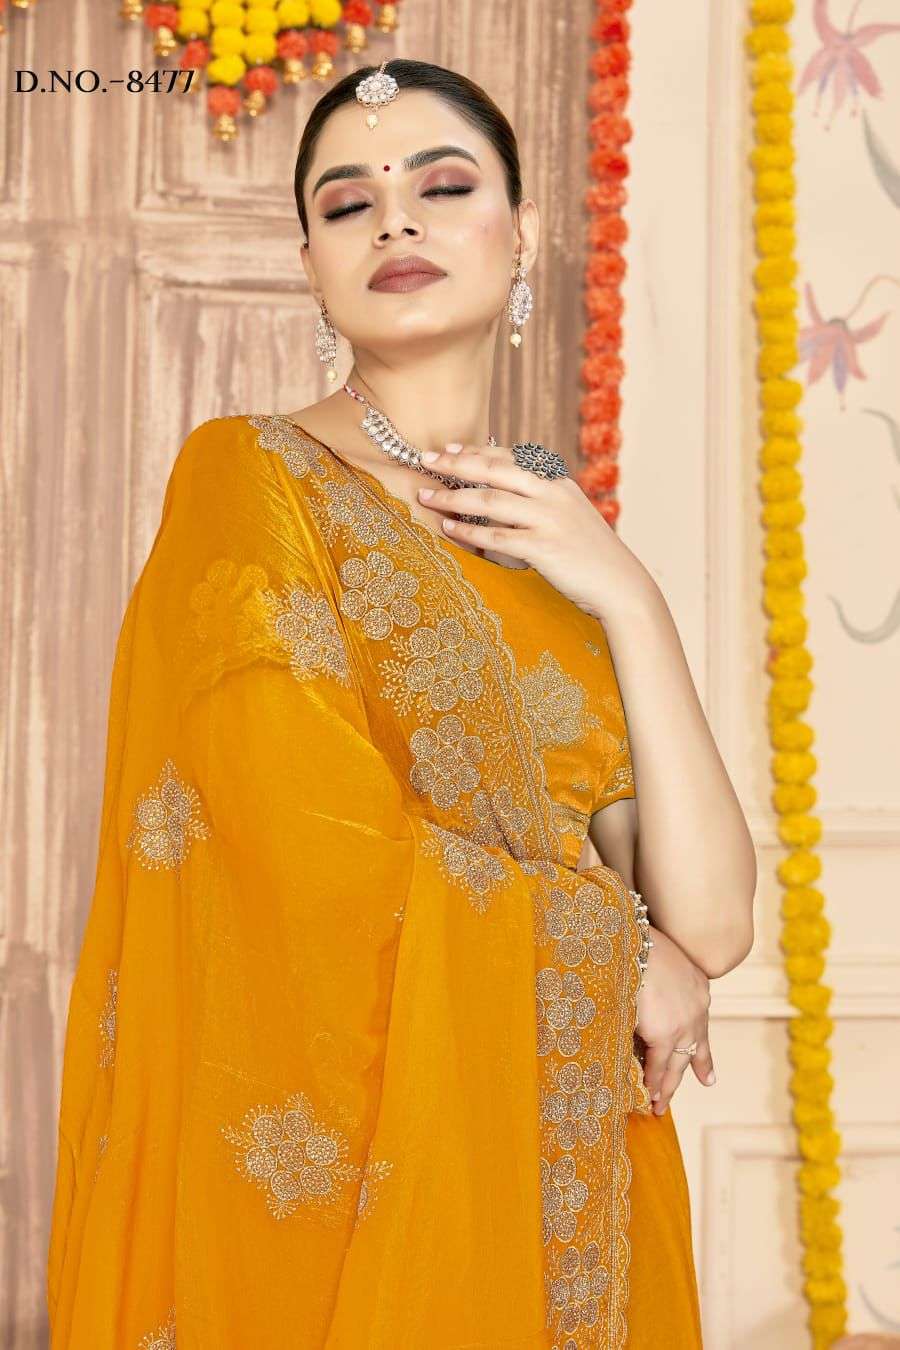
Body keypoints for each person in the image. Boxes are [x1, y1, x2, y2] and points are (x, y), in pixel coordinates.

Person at [46, 58, 756, 1349]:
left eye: (443, 185)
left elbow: (709, 922)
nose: (396, 221)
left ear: (523, 232)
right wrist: (609, 949)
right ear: (311, 264)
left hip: (570, 1178)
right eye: (347, 202)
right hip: (359, 1206)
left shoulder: (556, 549)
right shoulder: (251, 479)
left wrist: (630, 593)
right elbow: (294, 838)